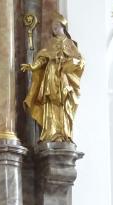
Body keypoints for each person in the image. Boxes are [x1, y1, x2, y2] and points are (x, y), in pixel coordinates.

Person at [21, 13, 84, 143]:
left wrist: (68, 62)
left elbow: (80, 60)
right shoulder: (51, 43)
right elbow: (43, 58)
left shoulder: (70, 44)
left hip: (63, 78)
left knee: (63, 103)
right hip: (51, 74)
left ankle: (64, 133)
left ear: (63, 26)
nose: (54, 28)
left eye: (56, 26)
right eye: (53, 27)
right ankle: (51, 133)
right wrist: (33, 66)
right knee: (49, 102)